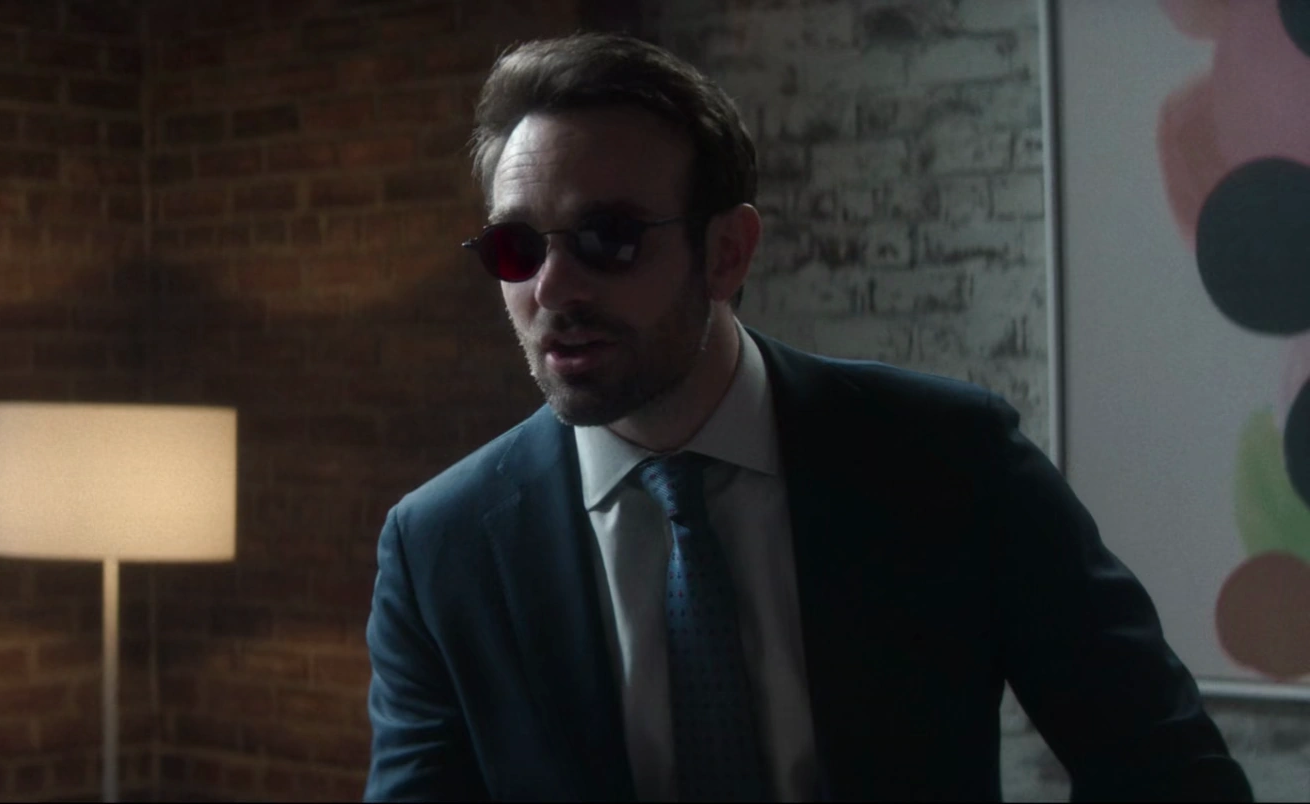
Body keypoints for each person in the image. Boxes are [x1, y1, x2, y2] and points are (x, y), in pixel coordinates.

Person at [362, 32, 1251, 802]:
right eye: (516, 246)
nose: (551, 288)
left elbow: (1167, 769)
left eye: (609, 237)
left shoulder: (952, 460)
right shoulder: (441, 547)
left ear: (728, 252)